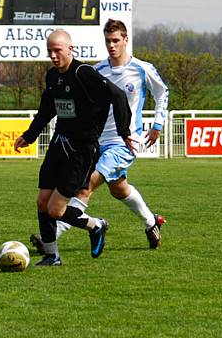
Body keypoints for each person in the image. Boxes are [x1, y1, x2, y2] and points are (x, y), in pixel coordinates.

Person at [30, 19, 169, 253]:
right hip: (96, 142)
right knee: (119, 188)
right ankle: (151, 222)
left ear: (126, 40)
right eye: (108, 41)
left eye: (116, 40)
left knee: (85, 187)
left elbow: (162, 92)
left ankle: (52, 239)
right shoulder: (96, 71)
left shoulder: (142, 69)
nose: (112, 45)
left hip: (124, 142)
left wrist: (157, 125)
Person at [14, 29, 134, 266]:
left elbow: (118, 96)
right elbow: (47, 110)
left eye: (57, 50)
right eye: (49, 51)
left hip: (82, 150)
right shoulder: (52, 77)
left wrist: (124, 132)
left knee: (56, 210)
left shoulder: (84, 73)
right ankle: (52, 255)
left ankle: (95, 225)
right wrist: (29, 135)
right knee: (42, 202)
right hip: (59, 144)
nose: (53, 55)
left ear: (71, 49)